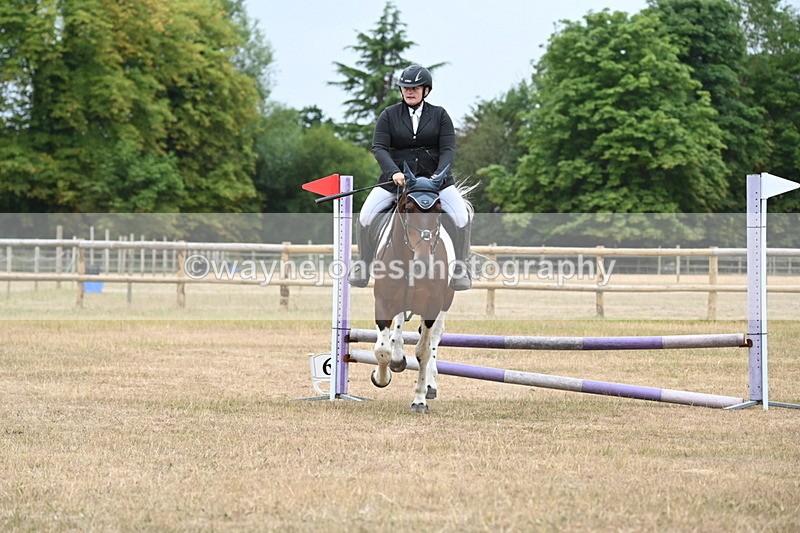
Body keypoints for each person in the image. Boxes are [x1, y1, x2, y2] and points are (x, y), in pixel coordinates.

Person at [348, 64, 472, 291]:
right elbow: (379, 148)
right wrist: (393, 171)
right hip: (397, 181)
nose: (409, 91)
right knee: (365, 215)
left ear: (426, 90)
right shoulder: (389, 115)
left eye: (415, 87)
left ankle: (461, 269)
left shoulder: (440, 115)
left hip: (436, 183)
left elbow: (448, 150)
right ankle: (363, 265)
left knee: (462, 216)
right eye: (405, 87)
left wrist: (438, 175)